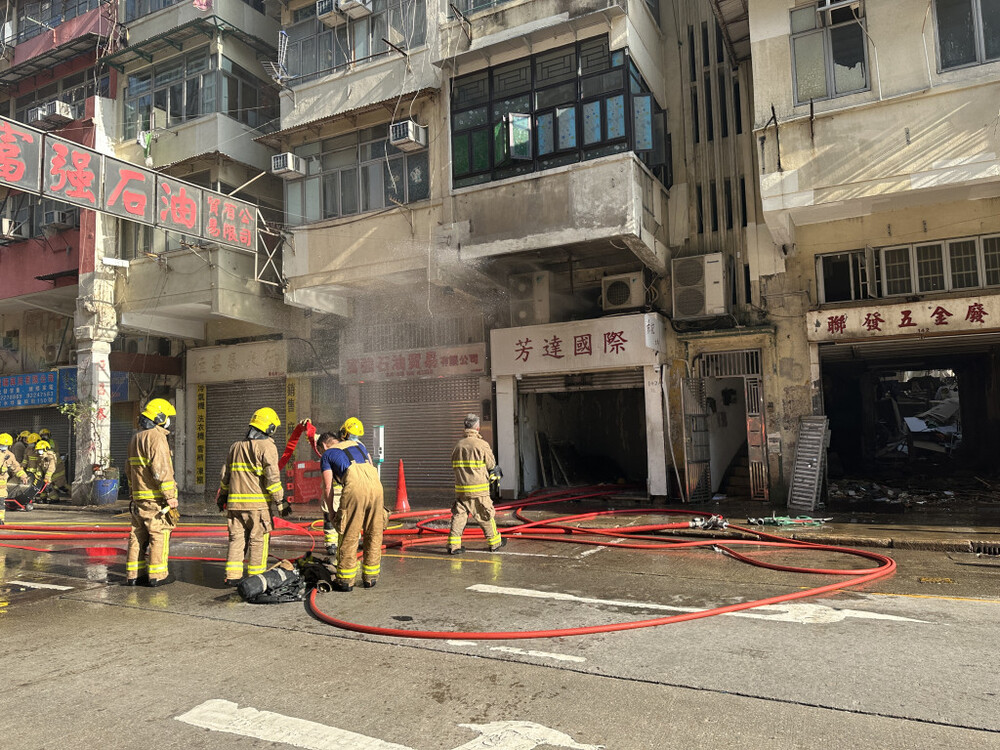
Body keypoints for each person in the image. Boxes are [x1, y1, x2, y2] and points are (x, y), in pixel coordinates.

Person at [219, 407, 290, 586]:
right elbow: (272, 479)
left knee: (236, 540)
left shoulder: (235, 447)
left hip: (235, 507)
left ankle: (233, 576)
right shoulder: (267, 447)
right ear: (270, 428)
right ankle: (255, 579)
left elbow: (225, 475)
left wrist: (223, 496)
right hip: (257, 508)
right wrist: (280, 501)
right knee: (258, 541)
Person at [320, 417, 386, 591]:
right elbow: (370, 466)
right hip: (376, 486)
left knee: (349, 532)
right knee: (373, 531)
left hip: (355, 488)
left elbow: (328, 487)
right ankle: (370, 578)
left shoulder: (327, 454)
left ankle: (346, 580)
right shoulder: (361, 446)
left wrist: (332, 512)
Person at [125, 398, 178, 587]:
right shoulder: (156, 437)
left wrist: (133, 490)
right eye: (167, 417)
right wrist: (170, 496)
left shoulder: (136, 437)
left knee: (137, 534)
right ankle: (158, 575)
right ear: (160, 417)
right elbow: (161, 468)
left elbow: (128, 468)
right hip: (155, 498)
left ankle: (134, 575)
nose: (169, 421)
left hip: (139, 496)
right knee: (159, 533)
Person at [448, 414, 504, 555]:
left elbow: (453, 464)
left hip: (461, 488)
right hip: (478, 489)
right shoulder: (482, 444)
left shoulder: (458, 445)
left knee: (459, 516)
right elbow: (491, 464)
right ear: (477, 427)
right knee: (485, 514)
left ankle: (453, 546)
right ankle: (495, 542)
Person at [0, 433, 29, 525]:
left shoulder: (10, 455)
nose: (3, 447)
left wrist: (23, 476)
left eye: (5, 445)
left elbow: (16, 467)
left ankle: (1, 520)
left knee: (1, 502)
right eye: (2, 445)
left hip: (1, 484)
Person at [25, 437, 56, 512]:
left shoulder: (51, 456)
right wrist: (38, 475)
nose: (39, 452)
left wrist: (47, 477)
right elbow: (39, 466)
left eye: (40, 450)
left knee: (48, 486)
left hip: (51, 473)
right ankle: (43, 498)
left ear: (45, 449)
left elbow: (51, 468)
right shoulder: (41, 456)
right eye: (38, 450)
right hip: (44, 472)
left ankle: (55, 499)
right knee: (42, 485)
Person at [39, 428, 69, 499]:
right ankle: (49, 497)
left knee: (61, 486)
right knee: (47, 483)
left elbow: (54, 454)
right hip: (47, 467)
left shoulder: (53, 443)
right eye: (42, 435)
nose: (44, 436)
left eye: (46, 435)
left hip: (56, 467)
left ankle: (73, 495)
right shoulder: (40, 444)